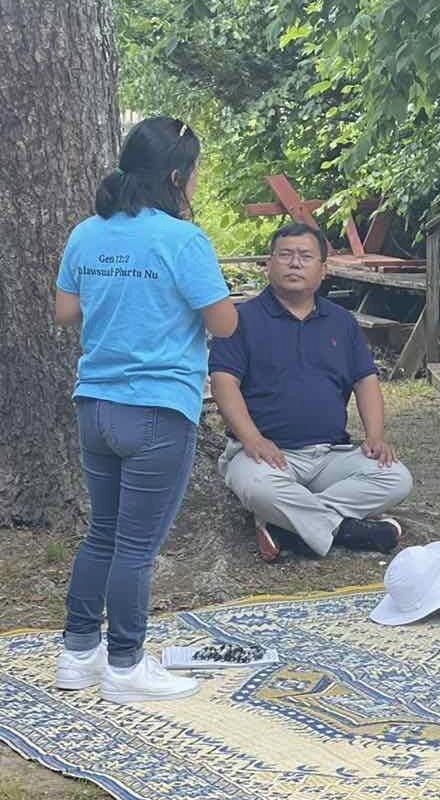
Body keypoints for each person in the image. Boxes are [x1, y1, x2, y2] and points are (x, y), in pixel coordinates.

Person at [52, 117, 239, 703]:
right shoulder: (183, 241)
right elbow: (225, 322)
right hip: (159, 407)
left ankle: (77, 654)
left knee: (101, 535)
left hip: (96, 404)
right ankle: (127, 664)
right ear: (177, 176)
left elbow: (65, 312)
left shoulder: (88, 232)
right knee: (137, 547)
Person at [209, 223, 412, 561]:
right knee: (259, 488)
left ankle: (289, 527)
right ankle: (344, 529)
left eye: (305, 256)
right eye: (285, 255)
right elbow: (222, 383)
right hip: (264, 456)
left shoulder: (341, 322)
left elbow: (365, 381)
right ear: (268, 264)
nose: (294, 263)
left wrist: (375, 435)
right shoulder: (240, 318)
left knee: (395, 478)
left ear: (323, 270)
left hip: (330, 454)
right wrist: (252, 438)